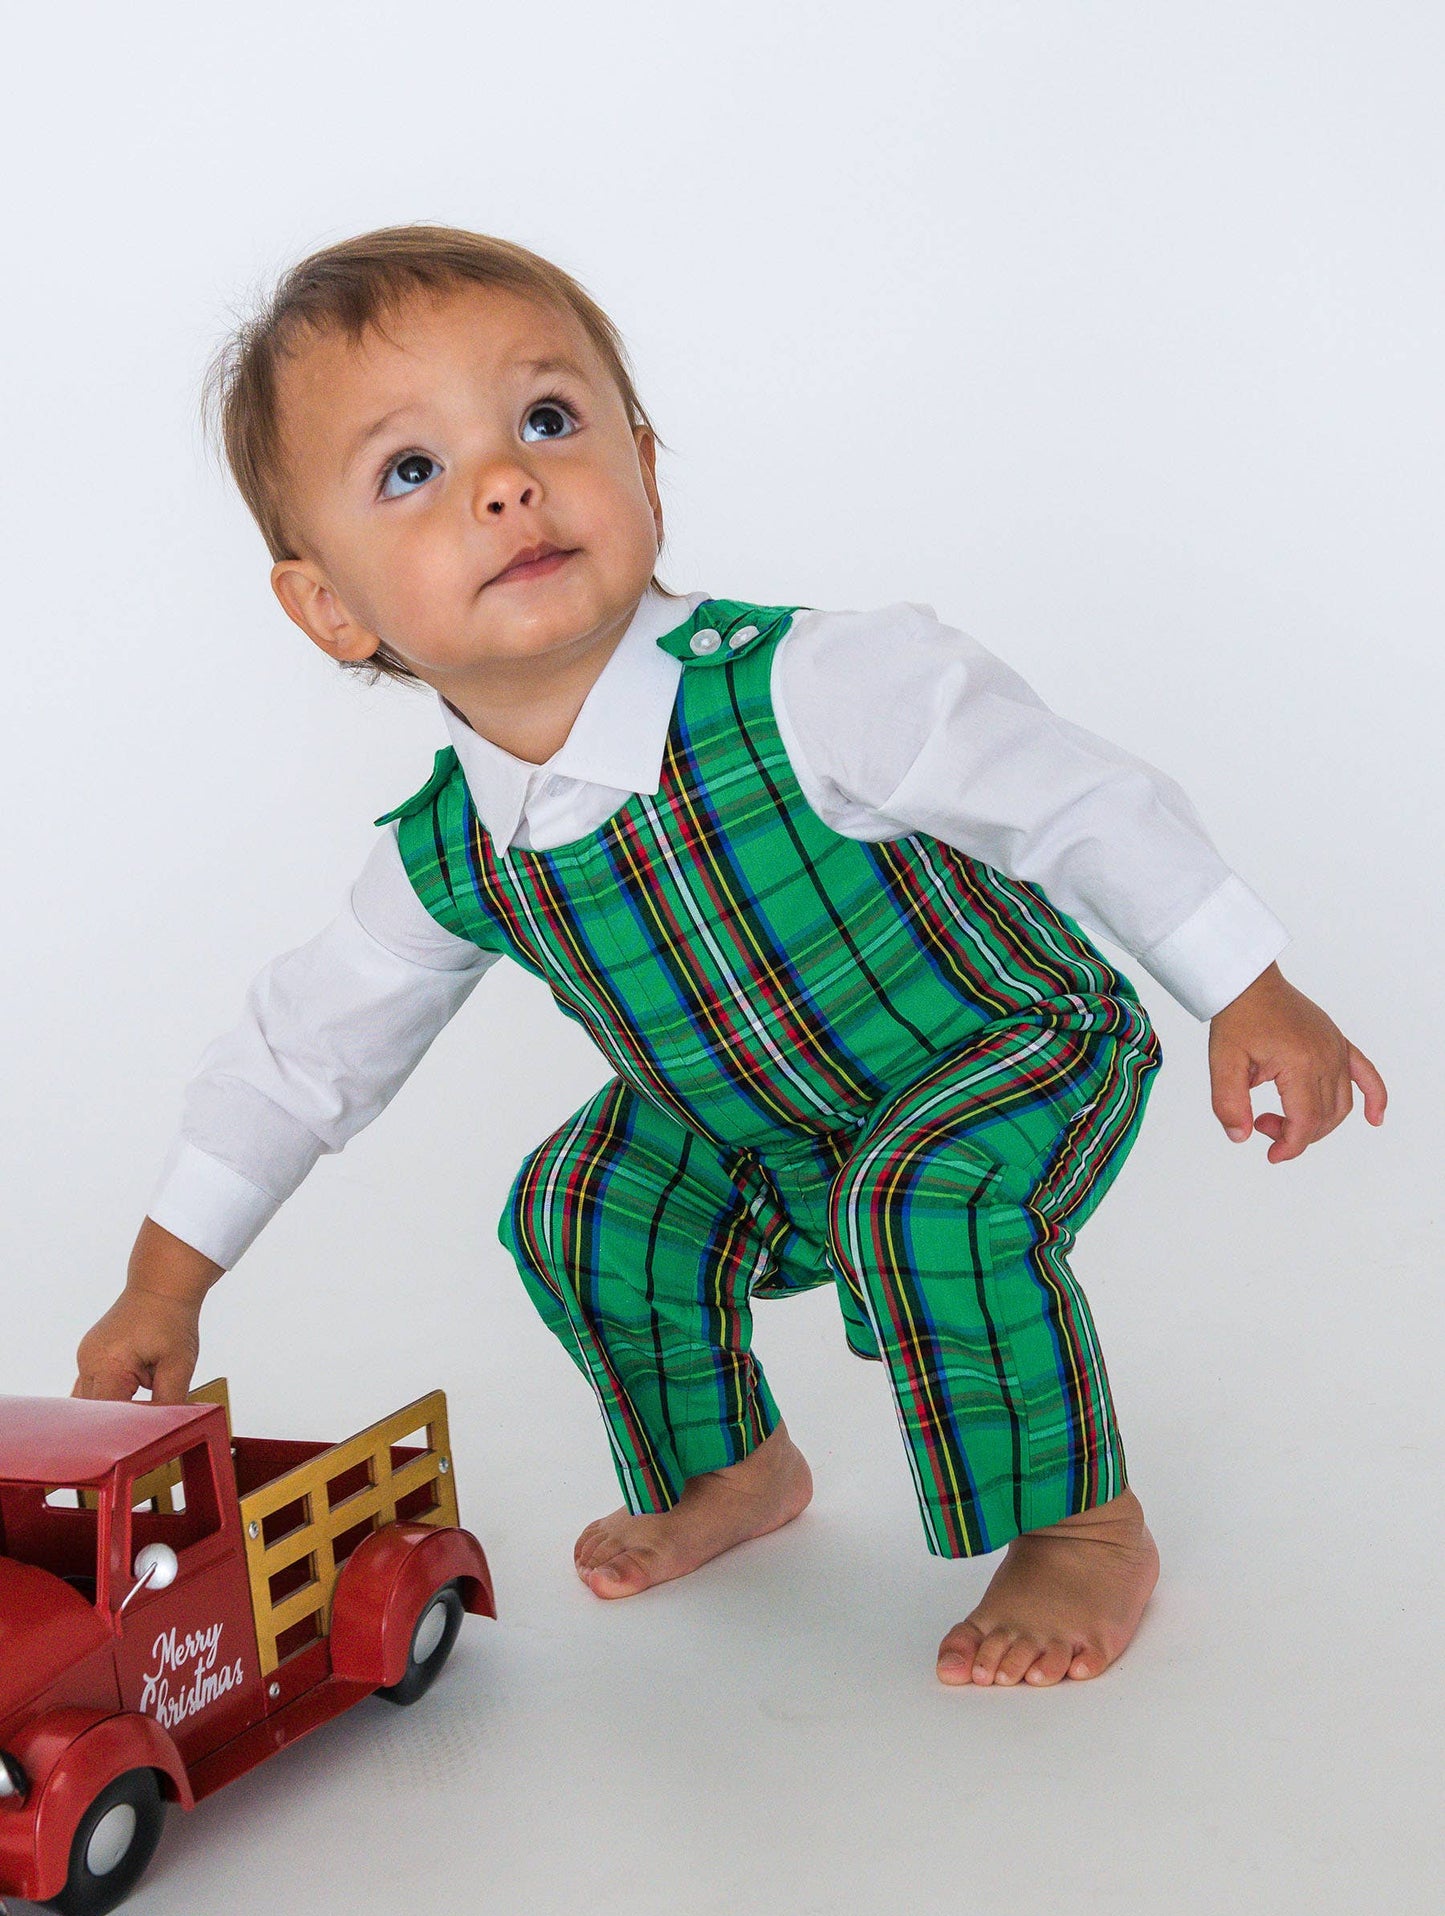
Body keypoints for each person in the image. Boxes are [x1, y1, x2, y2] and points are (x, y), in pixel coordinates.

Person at [73, 226, 1387, 1690]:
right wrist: (165, 1283)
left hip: (1005, 1048)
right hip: (760, 1126)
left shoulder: (813, 685)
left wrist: (1243, 984)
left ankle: (1080, 1523)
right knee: (581, 1207)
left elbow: (1070, 797)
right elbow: (303, 1052)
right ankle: (732, 1470)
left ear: (641, 463)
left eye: (547, 422)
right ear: (330, 607)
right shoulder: (447, 854)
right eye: (411, 471)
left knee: (923, 1205)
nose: (506, 480)